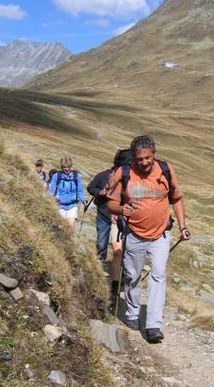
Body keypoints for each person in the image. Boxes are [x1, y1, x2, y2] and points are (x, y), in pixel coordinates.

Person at [107, 135, 190, 343]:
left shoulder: (166, 170)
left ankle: (154, 325)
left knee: (158, 275)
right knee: (132, 276)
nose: (144, 162)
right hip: (134, 234)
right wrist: (121, 209)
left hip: (161, 234)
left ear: (154, 154)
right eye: (139, 159)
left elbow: (177, 198)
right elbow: (111, 203)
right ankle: (132, 312)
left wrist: (183, 226)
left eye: (147, 158)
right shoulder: (124, 172)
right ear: (134, 157)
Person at [87, 149, 131, 302]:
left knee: (118, 250)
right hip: (103, 216)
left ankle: (116, 278)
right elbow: (90, 188)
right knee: (101, 244)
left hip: (119, 219)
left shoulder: (127, 180)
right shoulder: (102, 176)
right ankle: (98, 270)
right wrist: (100, 192)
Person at [48, 156, 85, 229]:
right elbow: (51, 191)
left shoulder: (76, 176)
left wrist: (83, 200)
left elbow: (80, 190)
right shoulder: (56, 176)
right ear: (61, 167)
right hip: (59, 206)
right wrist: (49, 201)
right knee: (59, 229)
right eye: (64, 167)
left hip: (72, 206)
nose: (67, 169)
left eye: (69, 167)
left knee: (70, 229)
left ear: (71, 166)